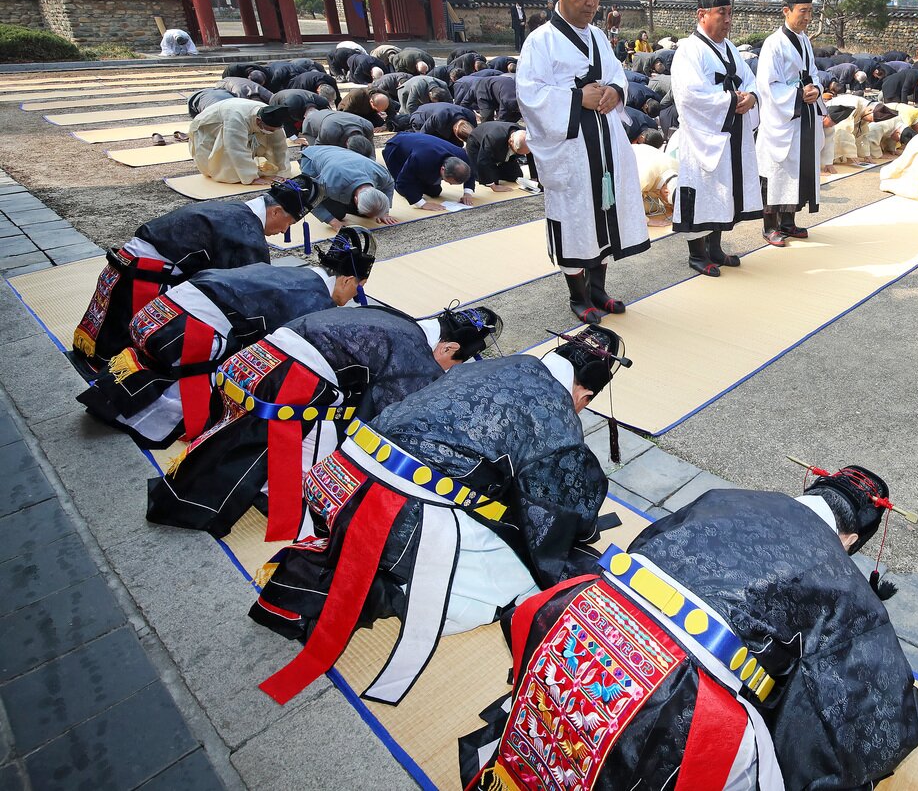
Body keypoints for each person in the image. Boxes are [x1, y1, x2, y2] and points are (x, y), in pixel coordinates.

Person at [460, 464, 918, 790]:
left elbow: (646, 547)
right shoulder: (843, 581)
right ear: (851, 538)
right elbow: (881, 717)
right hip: (675, 700)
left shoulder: (725, 498)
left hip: (578, 632)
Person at [252, 325, 628, 707]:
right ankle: (376, 591)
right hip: (397, 510)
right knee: (508, 580)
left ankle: (337, 559)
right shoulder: (556, 412)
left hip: (337, 478)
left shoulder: (493, 366)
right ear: (584, 393)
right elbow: (560, 505)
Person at [147, 302, 502, 539]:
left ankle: (254, 479)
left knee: (337, 406)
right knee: (338, 446)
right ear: (448, 349)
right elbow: (384, 422)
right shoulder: (416, 358)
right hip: (283, 383)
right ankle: (282, 498)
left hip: (249, 361)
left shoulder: (399, 319)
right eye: (455, 365)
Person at [77, 230, 375, 448]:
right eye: (357, 288)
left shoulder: (292, 273)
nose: (353, 296)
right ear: (347, 280)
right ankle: (149, 411)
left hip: (153, 313)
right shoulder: (315, 300)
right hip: (182, 332)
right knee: (239, 395)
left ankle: (114, 394)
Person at [518, 0, 650, 325]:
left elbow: (617, 77)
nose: (592, 3)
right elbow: (530, 96)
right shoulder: (540, 42)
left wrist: (614, 91)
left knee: (604, 216)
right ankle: (578, 296)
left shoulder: (598, 38)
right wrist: (578, 99)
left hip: (606, 146)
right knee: (577, 221)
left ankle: (599, 289)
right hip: (571, 151)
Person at [73, 178, 319, 366]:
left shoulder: (235, 209)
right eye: (289, 223)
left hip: (123, 267)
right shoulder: (246, 235)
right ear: (275, 211)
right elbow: (246, 290)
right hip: (144, 280)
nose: (285, 229)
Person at [667, 0, 764, 276]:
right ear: (702, 15)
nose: (727, 19)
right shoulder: (688, 51)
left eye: (729, 12)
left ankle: (716, 248)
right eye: (721, 12)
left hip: (729, 134)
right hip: (701, 137)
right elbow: (689, 96)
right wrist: (729, 101)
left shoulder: (731, 49)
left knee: (723, 191)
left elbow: (751, 81)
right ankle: (698, 255)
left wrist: (751, 98)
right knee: (701, 189)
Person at [756, 0, 826, 248]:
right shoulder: (773, 44)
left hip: (803, 116)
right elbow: (767, 85)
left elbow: (815, 74)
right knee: (775, 171)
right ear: (786, 10)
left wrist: (816, 89)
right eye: (803, 11)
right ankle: (769, 226)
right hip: (781, 119)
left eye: (811, 11)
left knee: (797, 169)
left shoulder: (805, 41)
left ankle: (789, 221)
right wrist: (798, 94)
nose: (807, 17)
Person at [189, 99, 294, 185]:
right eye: (270, 130)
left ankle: (246, 171)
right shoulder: (236, 118)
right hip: (210, 126)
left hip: (236, 118)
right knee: (224, 163)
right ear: (258, 121)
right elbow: (237, 149)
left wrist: (283, 172)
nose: (272, 132)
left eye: (274, 130)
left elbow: (280, 147)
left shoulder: (274, 119)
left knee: (268, 141)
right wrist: (252, 177)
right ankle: (239, 173)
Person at [298, 144, 397, 230]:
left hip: (341, 156)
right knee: (337, 213)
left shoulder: (380, 173)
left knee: (371, 209)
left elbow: (390, 184)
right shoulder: (330, 183)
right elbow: (309, 198)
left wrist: (384, 212)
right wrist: (334, 223)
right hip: (312, 157)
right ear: (355, 199)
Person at [383, 130, 474, 208]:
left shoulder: (462, 156)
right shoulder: (421, 158)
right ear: (443, 169)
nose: (450, 184)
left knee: (435, 192)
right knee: (407, 190)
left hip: (423, 147)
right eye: (450, 182)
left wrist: (467, 193)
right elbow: (403, 182)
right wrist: (422, 204)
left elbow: (470, 173)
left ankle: (419, 183)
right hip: (396, 148)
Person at [465, 121, 530, 191]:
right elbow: (483, 160)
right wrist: (493, 186)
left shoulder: (527, 135)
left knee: (516, 176)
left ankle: (495, 171)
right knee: (487, 179)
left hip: (504, 148)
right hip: (476, 143)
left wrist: (535, 177)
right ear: (510, 142)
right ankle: (493, 172)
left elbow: (534, 156)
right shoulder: (493, 138)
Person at [302, 108, 375, 158]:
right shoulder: (329, 132)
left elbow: (371, 151)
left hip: (332, 117)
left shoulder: (367, 126)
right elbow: (318, 150)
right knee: (320, 155)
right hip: (310, 125)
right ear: (346, 144)